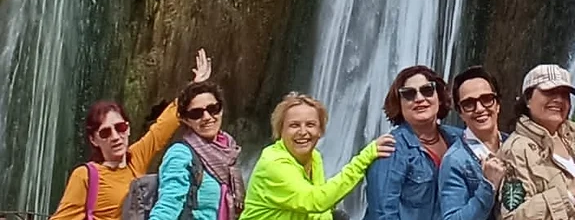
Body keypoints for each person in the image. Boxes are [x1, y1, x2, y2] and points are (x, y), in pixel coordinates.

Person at [49, 49, 212, 220]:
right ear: (94, 139)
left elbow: (162, 128)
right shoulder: (85, 176)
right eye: (105, 132)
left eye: (119, 127)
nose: (115, 136)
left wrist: (193, 89)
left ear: (127, 128)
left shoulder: (136, 158)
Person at [241, 92, 396, 220]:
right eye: (294, 125)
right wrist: (364, 159)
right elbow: (316, 201)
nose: (303, 132)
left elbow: (319, 213)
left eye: (310, 125)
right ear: (280, 131)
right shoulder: (273, 163)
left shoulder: (314, 158)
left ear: (320, 131)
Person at [497, 65, 575, 220]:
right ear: (528, 99)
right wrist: (569, 194)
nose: (558, 99)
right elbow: (511, 217)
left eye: (564, 94)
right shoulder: (516, 150)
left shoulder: (570, 142)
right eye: (549, 92)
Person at [364, 65, 463, 220]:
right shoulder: (390, 149)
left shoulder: (458, 139)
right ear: (399, 103)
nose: (419, 98)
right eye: (409, 94)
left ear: (439, 96)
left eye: (427, 90)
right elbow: (383, 214)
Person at [149, 80, 244, 220]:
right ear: (185, 119)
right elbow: (169, 203)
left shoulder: (229, 150)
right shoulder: (180, 154)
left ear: (221, 109)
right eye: (196, 113)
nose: (207, 117)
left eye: (213, 109)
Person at [438, 66, 508, 220]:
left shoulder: (514, 144)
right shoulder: (455, 160)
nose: (480, 108)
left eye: (487, 99)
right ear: (461, 113)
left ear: (497, 105)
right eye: (469, 103)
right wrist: (488, 185)